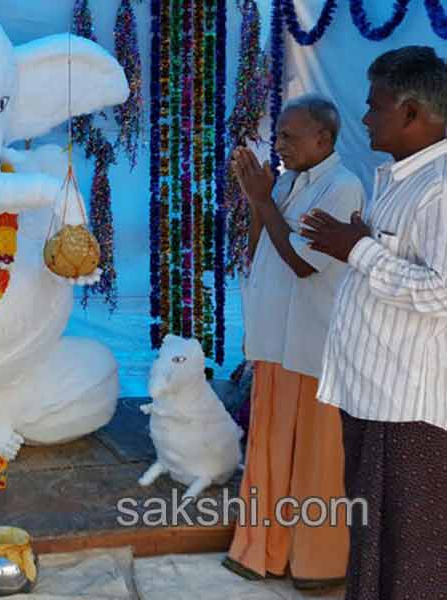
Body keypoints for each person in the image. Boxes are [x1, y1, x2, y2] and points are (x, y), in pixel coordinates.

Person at [301, 46, 447, 600]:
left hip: (408, 409)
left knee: (412, 557)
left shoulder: (440, 188)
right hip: (373, 397)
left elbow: (442, 290)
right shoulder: (398, 179)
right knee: (372, 543)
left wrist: (358, 248)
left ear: (412, 113)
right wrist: (357, 244)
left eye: (374, 106)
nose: (363, 118)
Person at [224, 95, 366, 591]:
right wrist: (257, 198)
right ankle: (263, 551)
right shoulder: (287, 180)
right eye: (278, 135)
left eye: (289, 135)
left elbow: (306, 263)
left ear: (323, 139)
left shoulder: (343, 187)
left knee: (316, 459)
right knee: (269, 448)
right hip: (274, 341)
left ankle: (316, 564)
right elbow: (263, 245)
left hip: (312, 345)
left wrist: (264, 199)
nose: (279, 145)